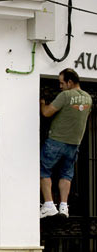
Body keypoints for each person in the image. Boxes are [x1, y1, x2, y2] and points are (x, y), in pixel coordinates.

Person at [39, 68, 92, 218]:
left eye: (62, 83)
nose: (60, 86)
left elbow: (47, 113)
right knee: (66, 174)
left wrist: (42, 103)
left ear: (70, 82)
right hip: (74, 144)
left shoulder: (65, 95)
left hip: (56, 141)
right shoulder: (88, 98)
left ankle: (49, 205)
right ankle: (63, 207)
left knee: (44, 169)